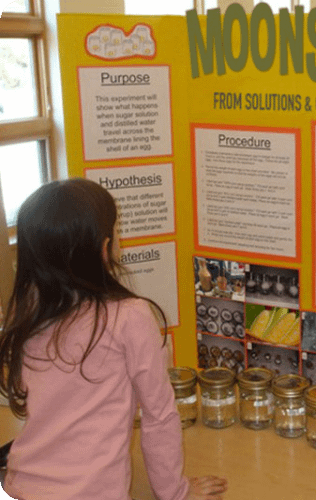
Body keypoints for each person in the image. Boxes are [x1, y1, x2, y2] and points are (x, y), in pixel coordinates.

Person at [0, 179, 227, 500]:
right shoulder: (130, 316)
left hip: (21, 485)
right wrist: (176, 492)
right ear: (105, 248)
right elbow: (159, 415)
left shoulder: (28, 308)